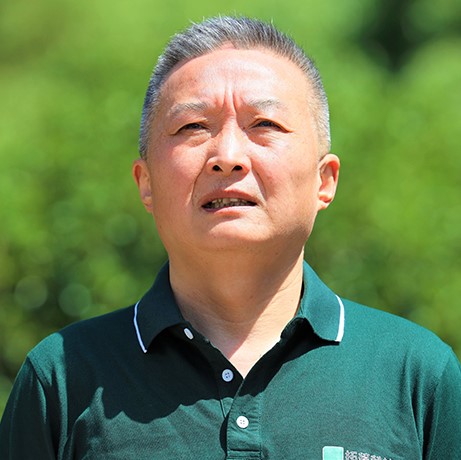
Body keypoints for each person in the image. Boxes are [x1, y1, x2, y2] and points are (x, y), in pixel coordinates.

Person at [1, 16, 460, 460]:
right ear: (146, 183)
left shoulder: (416, 375)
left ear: (325, 181)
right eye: (193, 127)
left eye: (265, 125)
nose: (228, 155)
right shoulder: (62, 377)